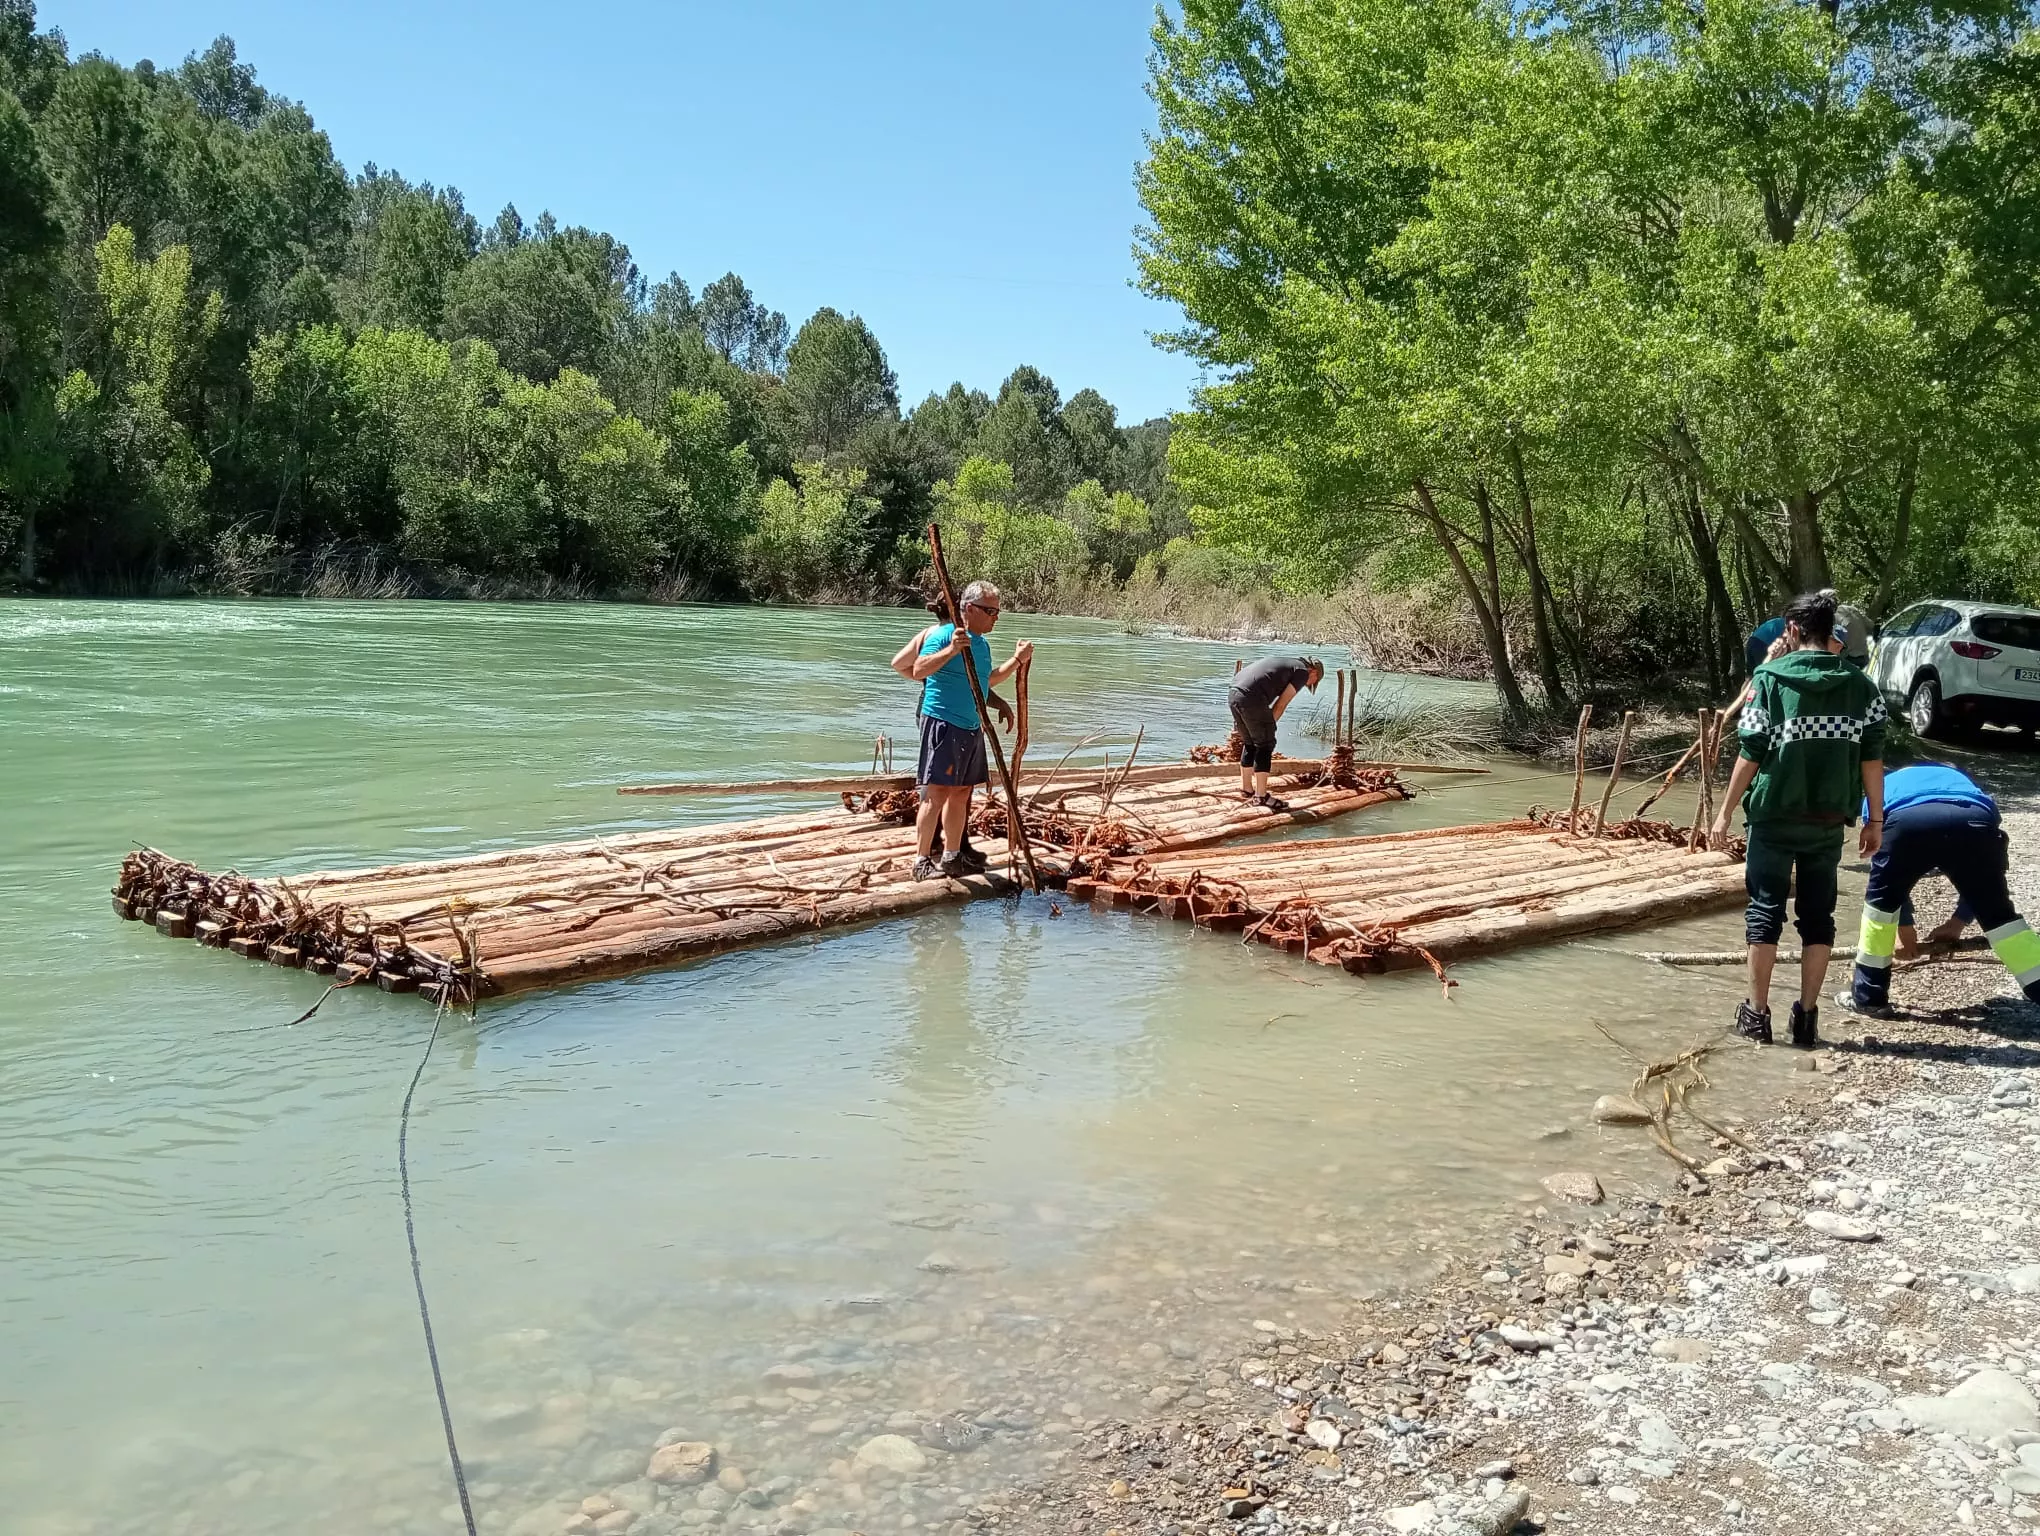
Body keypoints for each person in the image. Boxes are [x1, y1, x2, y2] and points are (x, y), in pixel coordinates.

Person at [1710, 590, 1887, 1048]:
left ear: (1792, 631)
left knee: (1764, 912)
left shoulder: (1769, 678)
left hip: (1773, 816)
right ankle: (1807, 1019)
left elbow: (1750, 754)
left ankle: (1756, 1015)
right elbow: (1872, 759)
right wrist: (1875, 820)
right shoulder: (1861, 686)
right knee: (1819, 917)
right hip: (1829, 820)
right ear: (1832, 632)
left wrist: (1724, 812)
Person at [1840, 763, 2040, 1015]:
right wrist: (1957, 922)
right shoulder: (1962, 781)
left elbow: (1889, 879)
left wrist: (1905, 929)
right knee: (2000, 917)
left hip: (1906, 822)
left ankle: (1869, 998)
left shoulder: (1883, 785)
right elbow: (1983, 877)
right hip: (1973, 818)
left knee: (1880, 910)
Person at [893, 581, 1032, 881]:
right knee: (937, 791)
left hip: (971, 726)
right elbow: (918, 669)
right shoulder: (946, 635)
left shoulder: (981, 644)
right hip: (943, 722)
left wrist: (1017, 660)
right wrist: (952, 649)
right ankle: (920, 861)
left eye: (997, 611)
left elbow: (986, 681)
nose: (996, 616)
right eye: (990, 610)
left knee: (961, 792)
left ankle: (952, 856)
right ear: (969, 609)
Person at [1228, 655, 1324, 810]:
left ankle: (1247, 789)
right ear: (1313, 671)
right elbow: (1281, 704)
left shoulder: (1287, 662)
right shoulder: (1302, 672)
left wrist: (1264, 726)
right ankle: (1260, 797)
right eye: (1315, 681)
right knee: (1265, 745)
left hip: (1234, 693)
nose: (1310, 684)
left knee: (1250, 743)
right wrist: (1269, 728)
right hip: (1252, 698)